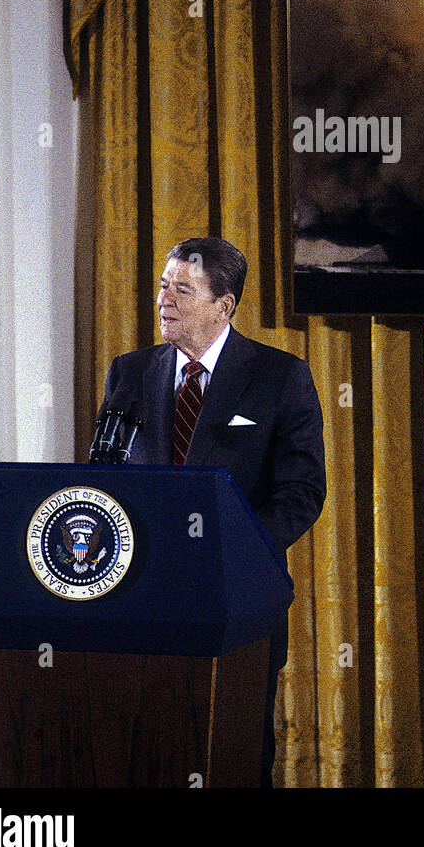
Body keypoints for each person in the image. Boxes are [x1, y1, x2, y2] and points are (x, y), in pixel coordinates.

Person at [99, 236, 327, 785]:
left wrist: (230, 553)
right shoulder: (128, 372)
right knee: (147, 753)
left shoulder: (279, 376)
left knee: (233, 756)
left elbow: (301, 492)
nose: (164, 301)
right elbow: (103, 476)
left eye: (182, 289)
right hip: (140, 600)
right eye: (162, 287)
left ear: (224, 305)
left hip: (238, 600)